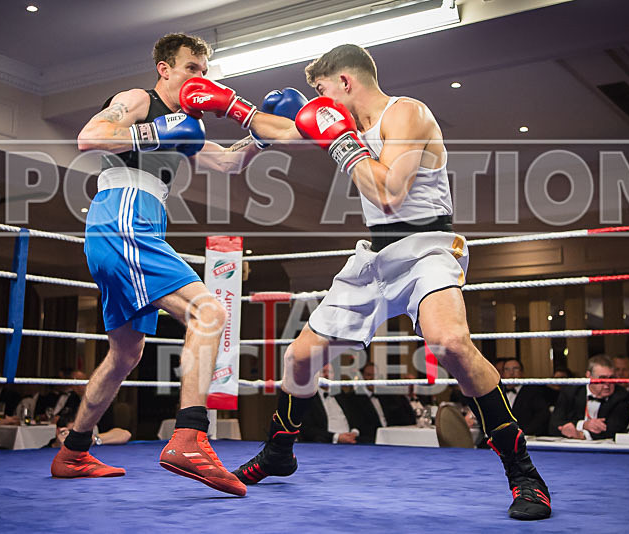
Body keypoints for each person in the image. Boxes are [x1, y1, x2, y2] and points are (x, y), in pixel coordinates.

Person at [180, 44, 551, 519]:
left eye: (323, 90)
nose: (321, 102)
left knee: (451, 343)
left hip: (427, 248)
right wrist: (234, 107)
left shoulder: (408, 114)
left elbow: (390, 194)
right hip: (376, 257)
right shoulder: (344, 122)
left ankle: (524, 474)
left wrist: (340, 141)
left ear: (345, 82)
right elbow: (285, 130)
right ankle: (278, 451)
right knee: (298, 357)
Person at [51, 32, 275, 496]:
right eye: (192, 68)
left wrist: (260, 136)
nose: (200, 77)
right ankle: (189, 436)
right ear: (165, 69)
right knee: (207, 312)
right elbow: (89, 137)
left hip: (141, 222)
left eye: (205, 71)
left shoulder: (187, 125)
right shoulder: (139, 99)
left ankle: (73, 451)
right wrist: (152, 131)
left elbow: (227, 164)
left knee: (125, 354)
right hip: (122, 214)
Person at [549, 355, 629, 440]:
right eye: (602, 379)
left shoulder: (621, 395)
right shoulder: (570, 392)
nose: (607, 385)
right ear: (589, 376)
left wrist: (582, 435)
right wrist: (583, 425)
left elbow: (615, 429)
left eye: (611, 378)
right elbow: (554, 425)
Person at [500, 359, 551, 436]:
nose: (511, 373)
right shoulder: (498, 392)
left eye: (515, 369)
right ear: (503, 373)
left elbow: (542, 416)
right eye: (507, 369)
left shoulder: (533, 392)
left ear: (522, 372)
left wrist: (523, 434)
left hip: (525, 436)